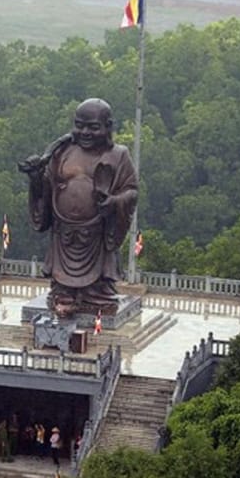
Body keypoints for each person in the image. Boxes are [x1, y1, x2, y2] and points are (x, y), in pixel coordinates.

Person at [19, 98, 138, 317]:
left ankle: (94, 293)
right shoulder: (63, 152)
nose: (85, 132)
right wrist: (36, 178)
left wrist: (114, 202)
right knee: (62, 288)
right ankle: (64, 293)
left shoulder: (118, 155)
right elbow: (48, 185)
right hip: (63, 231)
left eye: (93, 127)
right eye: (79, 125)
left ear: (108, 127)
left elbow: (131, 192)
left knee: (97, 291)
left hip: (96, 233)